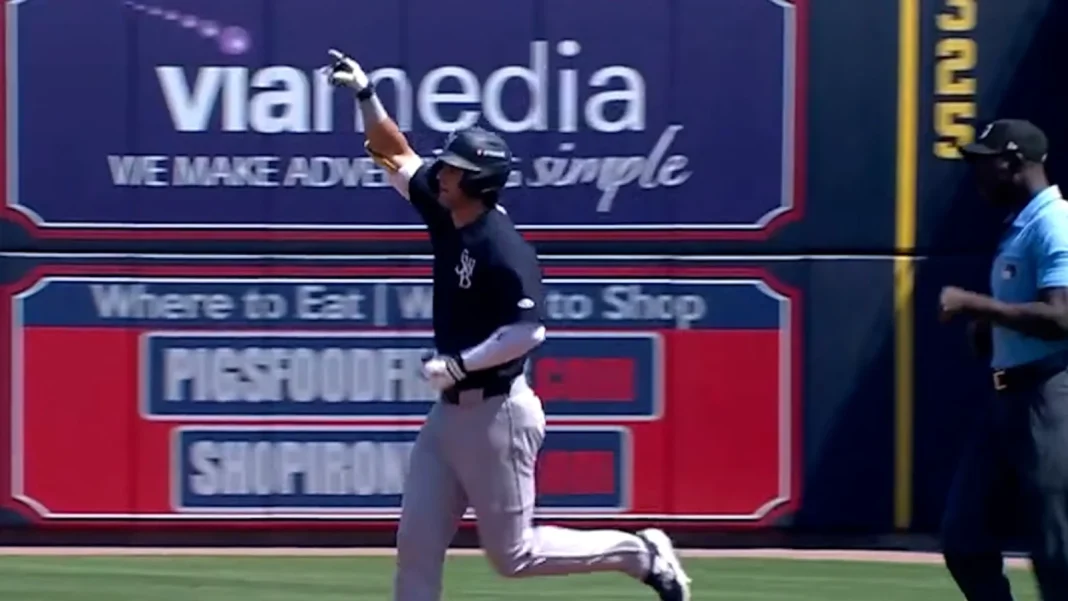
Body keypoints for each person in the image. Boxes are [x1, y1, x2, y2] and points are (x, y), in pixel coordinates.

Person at [324, 49, 692, 601]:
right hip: (449, 416)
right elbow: (393, 154)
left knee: (513, 557)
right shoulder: (445, 208)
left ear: (478, 184)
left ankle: (639, 554)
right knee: (416, 545)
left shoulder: (502, 248)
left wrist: (459, 365)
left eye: (453, 169)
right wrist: (365, 94)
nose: (441, 173)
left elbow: (529, 333)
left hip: (499, 415)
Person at [939, 118, 1068, 600]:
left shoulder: (1055, 222)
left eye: (984, 163)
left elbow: (1062, 317)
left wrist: (976, 306)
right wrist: (991, 327)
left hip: (1048, 397)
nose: (977, 175)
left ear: (1013, 163)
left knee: (1057, 549)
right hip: (1006, 402)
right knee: (964, 537)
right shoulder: (1019, 223)